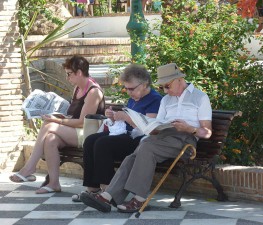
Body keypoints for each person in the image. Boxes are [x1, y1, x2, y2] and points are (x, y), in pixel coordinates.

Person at [80, 63, 212, 213]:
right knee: (134, 154)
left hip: (185, 140)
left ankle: (140, 199)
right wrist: (149, 127)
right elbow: (157, 124)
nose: (165, 91)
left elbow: (207, 132)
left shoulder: (200, 97)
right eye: (162, 87)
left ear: (179, 80)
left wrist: (190, 128)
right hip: (163, 136)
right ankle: (107, 196)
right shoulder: (166, 100)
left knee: (146, 148)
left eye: (167, 86)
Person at [9, 55, 105, 194]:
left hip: (88, 133)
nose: (67, 78)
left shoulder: (93, 92)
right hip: (75, 130)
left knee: (49, 125)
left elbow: (82, 122)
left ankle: (29, 168)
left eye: (69, 74)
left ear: (79, 72)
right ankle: (54, 183)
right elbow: (73, 116)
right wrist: (58, 115)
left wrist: (57, 120)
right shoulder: (78, 88)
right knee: (50, 139)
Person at [71, 64, 162, 202]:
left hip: (140, 140)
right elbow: (126, 119)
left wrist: (125, 117)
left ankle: (109, 190)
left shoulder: (155, 99)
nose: (129, 92)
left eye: (131, 88)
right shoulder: (134, 98)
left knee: (103, 144)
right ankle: (92, 188)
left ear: (144, 84)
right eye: (126, 88)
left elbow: (149, 127)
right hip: (126, 134)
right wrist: (113, 116)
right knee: (90, 140)